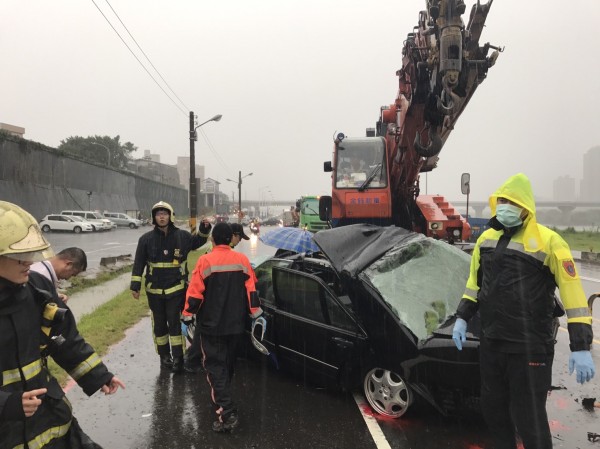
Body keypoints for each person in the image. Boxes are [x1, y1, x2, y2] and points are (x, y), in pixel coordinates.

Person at [451, 173, 595, 449]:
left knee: (529, 419)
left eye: (511, 202)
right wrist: (462, 316)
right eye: (501, 201)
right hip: (492, 344)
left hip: (529, 348)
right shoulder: (486, 239)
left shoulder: (550, 241)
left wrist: (580, 344)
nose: (504, 206)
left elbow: (573, 294)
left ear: (525, 207)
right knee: (493, 410)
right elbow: (474, 284)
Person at [0, 201, 125, 448]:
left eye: (30, 253)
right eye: (20, 255)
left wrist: (99, 375)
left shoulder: (37, 289)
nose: (29, 261)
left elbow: (64, 340)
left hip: (51, 418)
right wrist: (6, 404)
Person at [182, 222, 262, 433]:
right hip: (236, 325)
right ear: (230, 239)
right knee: (227, 365)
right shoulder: (243, 261)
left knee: (215, 368)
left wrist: (187, 316)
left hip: (211, 326)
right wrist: (256, 315)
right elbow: (252, 292)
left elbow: (195, 293)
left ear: (213, 239)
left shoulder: (205, 261)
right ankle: (221, 397)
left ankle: (227, 412)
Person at [130, 201, 211, 373]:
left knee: (175, 324)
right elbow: (138, 264)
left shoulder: (182, 236)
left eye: (164, 214)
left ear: (170, 216)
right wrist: (135, 286)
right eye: (158, 214)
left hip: (176, 289)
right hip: (154, 290)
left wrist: (204, 228)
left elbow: (198, 242)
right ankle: (164, 357)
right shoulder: (145, 240)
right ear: (154, 217)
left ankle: (178, 358)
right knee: (159, 326)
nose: (161, 216)